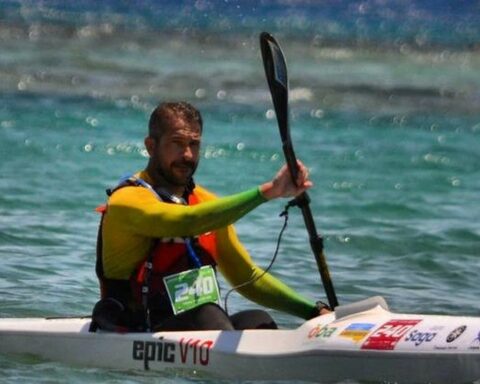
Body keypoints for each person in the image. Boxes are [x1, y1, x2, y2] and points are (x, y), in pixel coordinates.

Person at [91, 101, 330, 333]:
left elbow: (247, 277)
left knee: (258, 322)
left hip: (200, 325)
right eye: (177, 143)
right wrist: (268, 192)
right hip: (133, 328)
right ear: (151, 146)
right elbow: (186, 221)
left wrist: (314, 312)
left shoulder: (206, 204)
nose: (187, 154)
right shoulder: (127, 200)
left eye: (194, 144)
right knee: (208, 314)